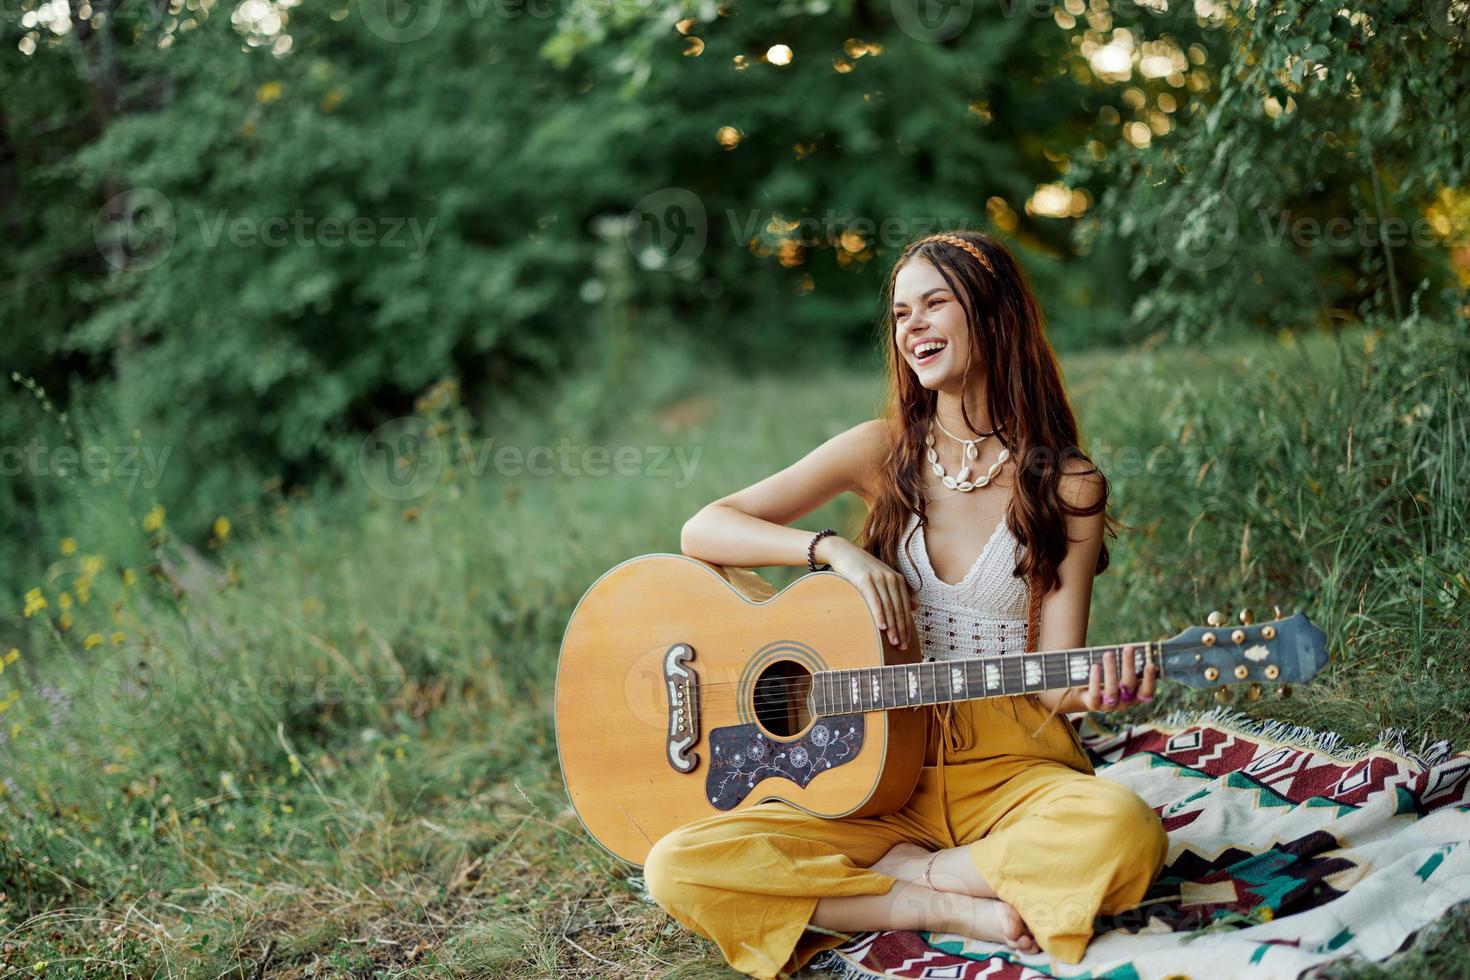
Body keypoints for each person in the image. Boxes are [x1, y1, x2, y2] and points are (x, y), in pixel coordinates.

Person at [645, 231, 1168, 979]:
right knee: (677, 865)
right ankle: (935, 902)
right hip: (873, 766)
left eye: (935, 304)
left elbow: (1056, 679)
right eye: (900, 313)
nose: (913, 326)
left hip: (1010, 764)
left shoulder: (1067, 485)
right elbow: (705, 528)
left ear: (993, 314)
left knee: (1124, 833)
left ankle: (901, 880)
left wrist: (1105, 684)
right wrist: (833, 550)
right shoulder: (879, 450)